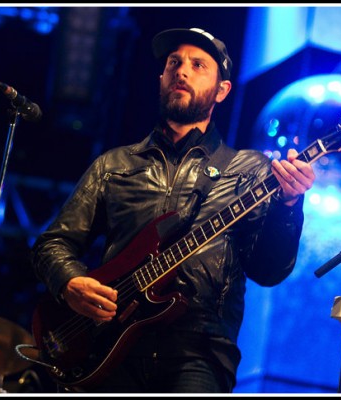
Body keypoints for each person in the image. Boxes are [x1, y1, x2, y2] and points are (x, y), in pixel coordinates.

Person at [31, 27, 315, 393]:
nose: (182, 71)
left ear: (222, 90)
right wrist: (69, 282)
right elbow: (52, 244)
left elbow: (269, 270)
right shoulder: (114, 165)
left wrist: (288, 206)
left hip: (199, 353)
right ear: (161, 78)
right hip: (105, 348)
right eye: (174, 63)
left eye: (198, 65)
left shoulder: (249, 171)